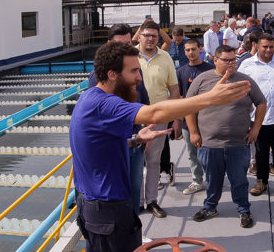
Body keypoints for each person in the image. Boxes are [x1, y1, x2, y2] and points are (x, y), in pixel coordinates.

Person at [74, 40, 251, 252]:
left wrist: (132, 140)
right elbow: (154, 112)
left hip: (90, 208)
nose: (138, 79)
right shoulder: (105, 103)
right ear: (112, 74)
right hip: (112, 211)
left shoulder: (88, 99)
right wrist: (210, 99)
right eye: (132, 72)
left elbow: (97, 143)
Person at [187, 44, 265, 228]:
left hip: (238, 143)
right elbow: (190, 106)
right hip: (209, 143)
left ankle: (243, 209)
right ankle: (210, 206)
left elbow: (261, 102)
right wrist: (193, 132)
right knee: (212, 179)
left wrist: (255, 129)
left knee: (239, 180)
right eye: (227, 60)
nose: (232, 63)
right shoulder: (202, 80)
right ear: (215, 60)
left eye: (233, 60)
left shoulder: (244, 81)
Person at [87, 24, 149, 216]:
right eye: (120, 45)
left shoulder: (134, 70)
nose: (126, 49)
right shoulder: (98, 78)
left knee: (134, 188)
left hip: (135, 141)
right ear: (109, 45)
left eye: (129, 44)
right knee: (116, 193)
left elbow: (144, 100)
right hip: (114, 145)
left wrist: (145, 129)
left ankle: (133, 227)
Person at [240, 34, 274, 198]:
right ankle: (261, 181)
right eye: (265, 47)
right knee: (260, 152)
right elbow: (239, 87)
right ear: (256, 46)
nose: (269, 50)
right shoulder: (247, 65)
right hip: (257, 118)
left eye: (271, 47)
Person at [136, 21, 179, 218]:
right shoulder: (130, 55)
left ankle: (152, 201)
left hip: (158, 117)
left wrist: (175, 118)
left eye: (154, 36)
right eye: (147, 35)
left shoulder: (165, 57)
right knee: (135, 162)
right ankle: (136, 202)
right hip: (134, 117)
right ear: (139, 36)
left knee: (153, 161)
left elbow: (174, 90)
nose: (151, 39)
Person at [176, 37, 214, 195]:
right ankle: (197, 180)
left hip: (208, 119)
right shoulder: (181, 72)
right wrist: (177, 120)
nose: (191, 52)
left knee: (210, 153)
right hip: (188, 120)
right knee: (192, 153)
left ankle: (212, 180)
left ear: (200, 49)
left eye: (193, 49)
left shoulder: (211, 70)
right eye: (187, 50)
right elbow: (179, 97)